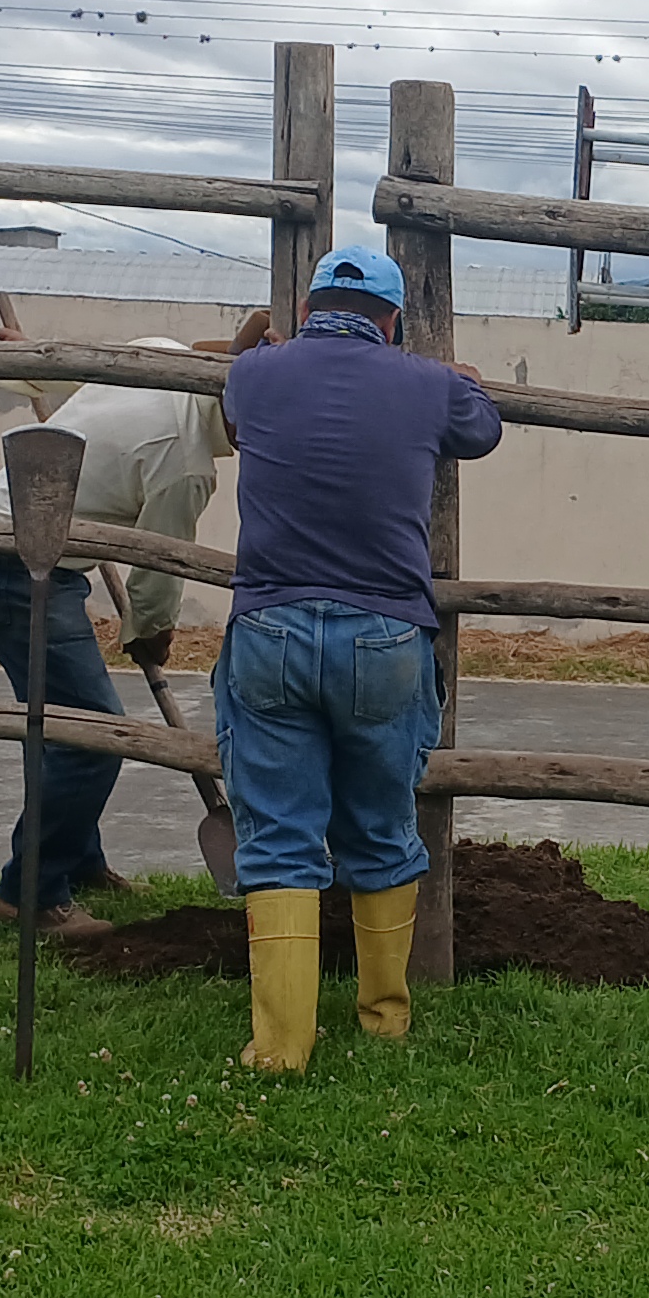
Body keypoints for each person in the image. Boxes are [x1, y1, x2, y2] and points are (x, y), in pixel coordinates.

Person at [213, 241, 503, 1073]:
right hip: (385, 634)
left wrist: (256, 342)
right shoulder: (430, 387)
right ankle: (384, 1018)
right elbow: (482, 429)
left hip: (270, 627)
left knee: (278, 834)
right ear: (394, 320)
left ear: (308, 310)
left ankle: (281, 1046)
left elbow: (233, 404)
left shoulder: (255, 376)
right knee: (381, 825)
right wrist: (462, 378)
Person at [0, 307, 271, 927]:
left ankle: (77, 858)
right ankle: (30, 895)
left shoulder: (159, 353)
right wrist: (151, 634)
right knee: (93, 738)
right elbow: (158, 570)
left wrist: (35, 362)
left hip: (9, 543)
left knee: (65, 725)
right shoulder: (184, 465)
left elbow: (89, 389)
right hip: (15, 567)